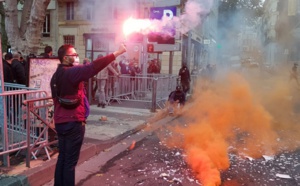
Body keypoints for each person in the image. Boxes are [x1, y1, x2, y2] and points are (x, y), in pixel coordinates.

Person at [50, 44, 126, 186]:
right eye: (74, 55)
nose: (77, 56)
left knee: (63, 158)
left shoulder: (55, 76)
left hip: (61, 123)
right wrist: (117, 53)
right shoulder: (71, 72)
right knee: (69, 163)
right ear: (65, 58)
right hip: (73, 122)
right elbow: (93, 67)